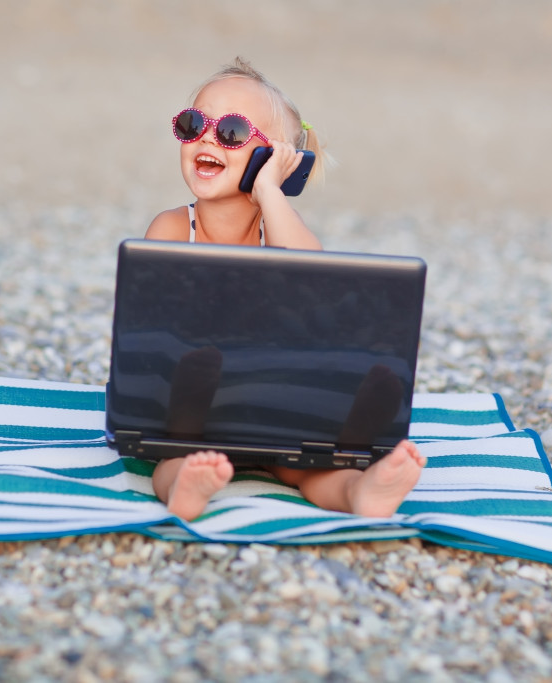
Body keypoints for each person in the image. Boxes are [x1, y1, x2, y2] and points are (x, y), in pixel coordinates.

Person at [145, 57, 426, 522]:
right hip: (195, 408)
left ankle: (361, 492)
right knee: (171, 453)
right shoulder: (174, 227)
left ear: (270, 160)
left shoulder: (279, 229)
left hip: (273, 404)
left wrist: (270, 193)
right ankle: (184, 488)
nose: (207, 139)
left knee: (308, 467)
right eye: (193, 124)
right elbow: (157, 327)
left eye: (232, 132)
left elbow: (311, 276)